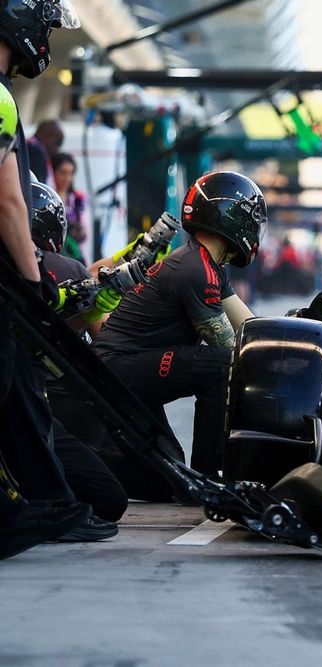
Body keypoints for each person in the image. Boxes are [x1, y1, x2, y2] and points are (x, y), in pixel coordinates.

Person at [93, 171, 266, 499]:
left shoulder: (207, 265)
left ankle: (85, 463)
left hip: (123, 369)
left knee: (169, 481)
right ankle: (208, 478)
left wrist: (287, 334)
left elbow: (250, 327)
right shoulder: (194, 269)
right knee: (223, 366)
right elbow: (231, 347)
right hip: (119, 367)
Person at [0, 0, 93, 557]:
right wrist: (34, 281)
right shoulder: (1, 101)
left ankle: (38, 500)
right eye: (44, 26)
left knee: (13, 387)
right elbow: (9, 201)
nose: (45, 38)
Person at [30, 180, 128, 523]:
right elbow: (104, 333)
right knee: (108, 499)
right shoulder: (68, 268)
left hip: (31, 403)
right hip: (47, 404)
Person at [51, 152, 89, 263]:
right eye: (63, 173)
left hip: (75, 256)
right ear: (53, 172)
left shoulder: (79, 198)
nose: (67, 178)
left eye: (71, 173)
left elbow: (85, 233)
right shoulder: (47, 197)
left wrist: (79, 231)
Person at [25, 118, 62, 186]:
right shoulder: (35, 151)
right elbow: (37, 185)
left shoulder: (28, 145)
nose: (57, 149)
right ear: (47, 136)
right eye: (57, 143)